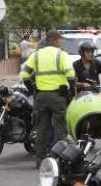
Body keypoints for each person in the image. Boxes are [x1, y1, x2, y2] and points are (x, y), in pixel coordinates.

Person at [19, 30, 76, 167]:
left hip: (41, 97)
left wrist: (33, 89)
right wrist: (71, 92)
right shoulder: (62, 55)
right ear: (55, 40)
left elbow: (25, 74)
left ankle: (39, 160)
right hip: (58, 97)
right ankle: (59, 160)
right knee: (60, 129)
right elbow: (70, 74)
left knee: (41, 129)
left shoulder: (36, 55)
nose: (61, 42)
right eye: (60, 40)